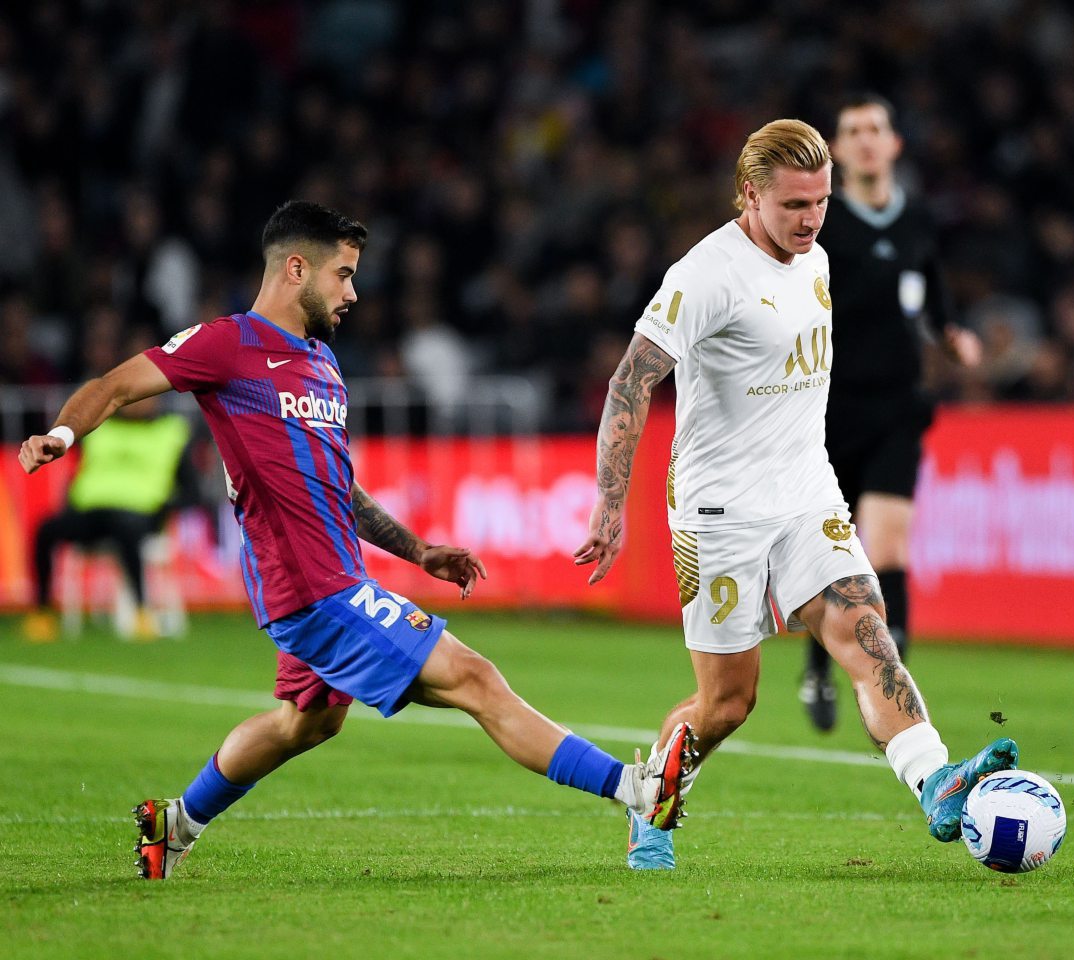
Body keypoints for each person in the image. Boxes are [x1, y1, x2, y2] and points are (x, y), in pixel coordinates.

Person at [19, 200, 694, 880]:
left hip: (336, 580)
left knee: (304, 724)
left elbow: (342, 490)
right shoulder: (228, 345)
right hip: (313, 590)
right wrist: (63, 434)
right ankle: (635, 791)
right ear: (295, 268)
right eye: (342, 275)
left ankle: (175, 823)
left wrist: (418, 550)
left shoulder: (322, 367)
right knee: (473, 677)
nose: (353, 292)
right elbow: (113, 386)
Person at [573, 120, 1017, 871]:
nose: (811, 219)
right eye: (793, 205)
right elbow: (631, 379)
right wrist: (610, 503)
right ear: (750, 194)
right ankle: (653, 802)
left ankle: (935, 781)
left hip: (807, 491)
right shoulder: (705, 274)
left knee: (864, 626)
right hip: (721, 509)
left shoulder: (817, 260)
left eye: (822, 201)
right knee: (728, 703)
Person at [797, 93, 981, 732]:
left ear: (895, 144)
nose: (867, 140)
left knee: (888, 540)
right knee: (831, 554)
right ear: (838, 151)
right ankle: (818, 668)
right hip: (827, 411)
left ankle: (891, 674)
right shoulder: (821, 224)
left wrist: (953, 332)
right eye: (853, 131)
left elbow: (932, 287)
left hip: (899, 405)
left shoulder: (917, 219)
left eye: (877, 128)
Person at [22, 394, 190, 642]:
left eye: (145, 398)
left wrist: (165, 510)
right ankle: (42, 613)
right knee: (45, 529)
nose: (138, 404)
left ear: (156, 402)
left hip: (140, 513)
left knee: (127, 528)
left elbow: (190, 489)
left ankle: (142, 612)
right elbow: (80, 474)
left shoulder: (171, 432)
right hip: (92, 511)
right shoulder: (100, 430)